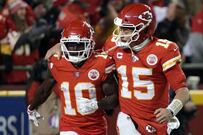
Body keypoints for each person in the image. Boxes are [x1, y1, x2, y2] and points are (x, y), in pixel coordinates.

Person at [45, 3, 190, 135]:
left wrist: (171, 110)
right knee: (124, 122)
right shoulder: (114, 45)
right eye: (121, 28)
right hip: (128, 117)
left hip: (157, 119)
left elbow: (183, 91)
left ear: (144, 29)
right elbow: (91, 57)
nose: (121, 34)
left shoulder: (164, 50)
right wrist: (60, 47)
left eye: (127, 30)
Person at [27, 19, 118, 135]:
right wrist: (32, 107)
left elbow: (114, 99)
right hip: (69, 127)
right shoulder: (57, 61)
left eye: (79, 45)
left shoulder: (102, 63)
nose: (74, 49)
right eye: (70, 45)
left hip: (96, 127)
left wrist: (96, 104)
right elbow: (45, 89)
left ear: (90, 44)